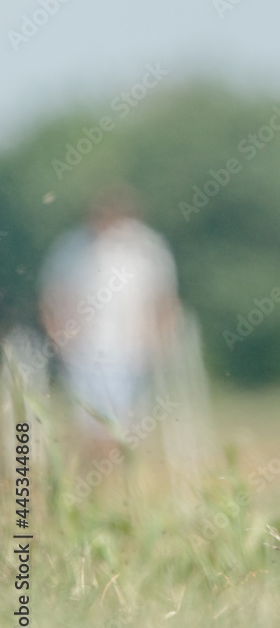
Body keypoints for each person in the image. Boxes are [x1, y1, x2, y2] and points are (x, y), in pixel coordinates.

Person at [38, 184, 180, 452]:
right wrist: (59, 339)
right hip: (83, 351)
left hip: (133, 351)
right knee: (90, 423)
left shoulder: (146, 248)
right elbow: (52, 298)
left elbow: (164, 301)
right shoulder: (71, 248)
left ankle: (119, 481)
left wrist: (160, 342)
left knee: (126, 425)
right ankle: (100, 481)